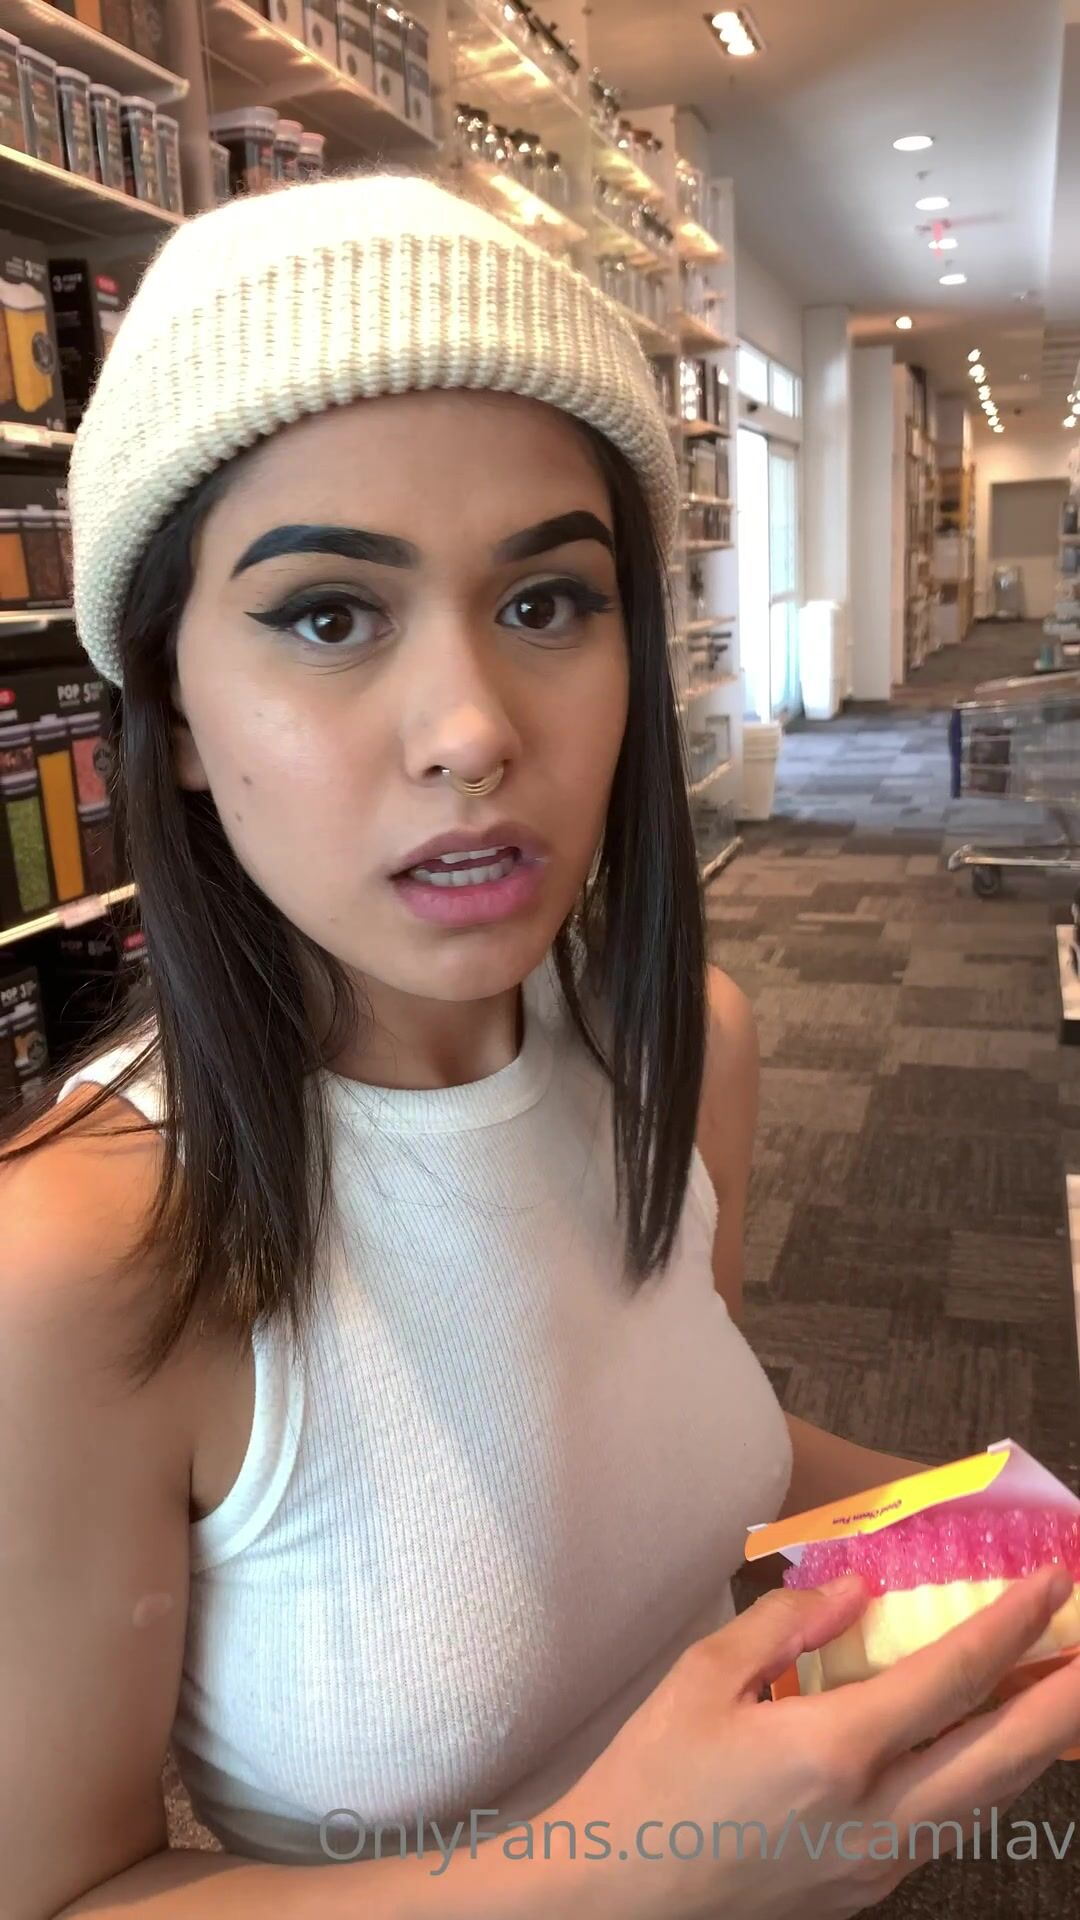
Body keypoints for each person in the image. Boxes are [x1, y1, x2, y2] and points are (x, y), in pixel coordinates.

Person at [1, 172, 1077, 1920]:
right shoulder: (75, 1268)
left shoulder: (683, 1050)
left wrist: (1039, 1554)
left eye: (547, 603)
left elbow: (690, 1457)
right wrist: (623, 1878)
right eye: (329, 614)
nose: (471, 732)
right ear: (175, 706)